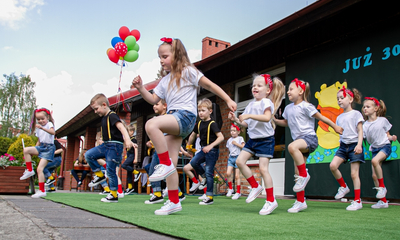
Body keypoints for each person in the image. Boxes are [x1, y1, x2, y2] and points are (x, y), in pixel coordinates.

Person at [132, 37, 236, 215]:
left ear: (177, 54)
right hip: (175, 119)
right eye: (159, 57)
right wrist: (141, 88)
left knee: (151, 125)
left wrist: (227, 99)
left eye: (164, 56)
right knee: (171, 163)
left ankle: (163, 165)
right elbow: (153, 100)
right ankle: (173, 201)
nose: (161, 60)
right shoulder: (164, 81)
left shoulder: (188, 71)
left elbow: (210, 85)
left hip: (186, 116)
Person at [274, 78, 343, 213]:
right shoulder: (288, 108)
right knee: (297, 173)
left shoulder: (307, 106)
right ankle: (300, 201)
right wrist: (275, 120)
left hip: (309, 139)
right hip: (299, 143)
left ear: (300, 91)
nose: (288, 92)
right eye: (288, 89)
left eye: (291, 89)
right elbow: (287, 123)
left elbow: (321, 118)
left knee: (292, 147)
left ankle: (304, 175)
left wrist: (334, 126)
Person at [229, 74, 285, 215]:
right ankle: (255, 186)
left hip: (266, 140)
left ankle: (271, 200)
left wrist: (248, 116)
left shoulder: (267, 102)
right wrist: (236, 119)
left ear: (267, 90)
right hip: (253, 140)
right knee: (240, 161)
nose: (255, 87)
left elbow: (266, 118)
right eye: (254, 85)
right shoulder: (250, 104)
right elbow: (245, 124)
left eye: (259, 85)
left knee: (263, 169)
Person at [85, 93, 135, 203]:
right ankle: (99, 176)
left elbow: (121, 127)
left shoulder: (112, 115)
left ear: (104, 105)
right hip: (106, 145)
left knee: (111, 170)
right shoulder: (103, 118)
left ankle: (113, 194)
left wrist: (127, 139)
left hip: (115, 146)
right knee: (88, 155)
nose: (95, 111)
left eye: (96, 109)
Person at [329, 86, 365, 211]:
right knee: (333, 166)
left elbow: (360, 130)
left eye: (342, 98)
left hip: (355, 144)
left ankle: (357, 200)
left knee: (354, 174)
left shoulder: (356, 114)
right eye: (337, 98)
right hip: (343, 146)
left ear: (350, 99)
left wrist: (359, 145)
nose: (339, 100)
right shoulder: (339, 117)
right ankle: (343, 187)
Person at [145, 100, 187, 204]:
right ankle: (178, 193)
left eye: (156, 104)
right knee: (164, 172)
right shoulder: (157, 120)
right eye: (153, 104)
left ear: (165, 106)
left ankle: (158, 194)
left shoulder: (169, 118)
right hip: (159, 149)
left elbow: (174, 136)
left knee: (154, 171)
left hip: (165, 148)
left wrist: (180, 150)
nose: (154, 106)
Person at [185, 98, 224, 205]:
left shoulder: (213, 124)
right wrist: (188, 147)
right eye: (199, 111)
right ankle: (205, 178)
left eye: (203, 110)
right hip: (203, 149)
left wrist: (210, 146)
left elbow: (221, 137)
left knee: (209, 171)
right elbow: (193, 135)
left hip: (212, 151)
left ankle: (209, 197)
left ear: (210, 111)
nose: (200, 113)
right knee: (193, 163)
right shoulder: (199, 124)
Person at [363, 97, 397, 209]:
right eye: (364, 107)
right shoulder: (364, 125)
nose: (365, 109)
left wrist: (392, 137)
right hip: (375, 149)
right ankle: (383, 201)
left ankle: (382, 188)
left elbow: (388, 135)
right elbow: (361, 137)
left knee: (374, 161)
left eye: (368, 106)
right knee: (374, 175)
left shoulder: (383, 121)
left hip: (385, 146)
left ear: (376, 108)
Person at [20, 108, 56, 199]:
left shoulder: (49, 124)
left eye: (42, 119)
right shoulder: (39, 128)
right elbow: (39, 141)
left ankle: (42, 191)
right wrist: (34, 150)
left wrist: (42, 128)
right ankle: (29, 170)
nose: (40, 121)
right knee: (26, 150)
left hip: (49, 148)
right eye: (38, 119)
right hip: (42, 147)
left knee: (40, 169)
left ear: (47, 117)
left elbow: (53, 132)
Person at [225, 123, 245, 199]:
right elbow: (228, 149)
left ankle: (238, 192)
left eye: (234, 130)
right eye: (231, 131)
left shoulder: (240, 138)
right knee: (228, 173)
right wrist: (228, 156)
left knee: (237, 176)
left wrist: (236, 144)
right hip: (231, 158)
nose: (232, 132)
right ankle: (230, 189)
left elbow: (243, 147)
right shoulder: (229, 140)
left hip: (238, 158)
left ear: (238, 132)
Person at [121, 123, 138, 195]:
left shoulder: (133, 139)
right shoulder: (129, 139)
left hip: (132, 155)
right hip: (128, 155)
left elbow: (136, 149)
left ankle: (137, 172)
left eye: (127, 131)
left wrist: (136, 158)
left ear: (131, 132)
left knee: (124, 165)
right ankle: (130, 187)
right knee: (129, 172)